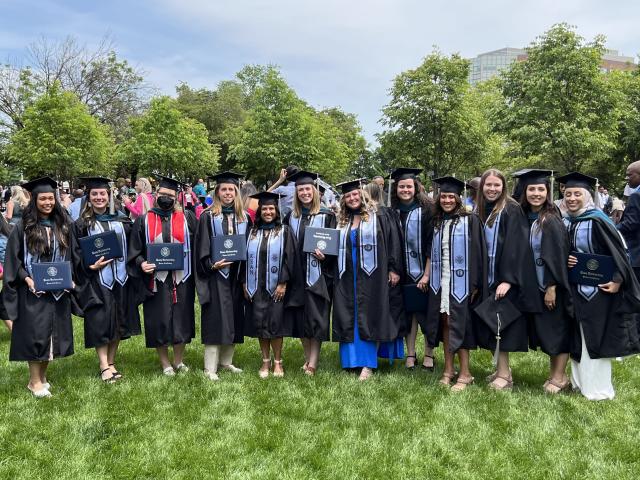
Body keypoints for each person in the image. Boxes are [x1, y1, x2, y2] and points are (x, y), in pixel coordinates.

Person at [2, 177, 85, 397]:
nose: (47, 202)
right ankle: (33, 381)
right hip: (33, 291)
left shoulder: (63, 224)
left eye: (50, 198)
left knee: (52, 335)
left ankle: (42, 378)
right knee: (36, 335)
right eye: (43, 198)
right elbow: (14, 260)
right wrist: (27, 279)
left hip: (58, 291)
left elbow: (72, 254)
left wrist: (72, 277)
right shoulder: (23, 227)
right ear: (34, 200)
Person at [562, 172, 640, 400]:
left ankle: (598, 389)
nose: (572, 198)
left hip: (600, 291)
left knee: (597, 337)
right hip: (577, 289)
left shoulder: (599, 220)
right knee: (578, 337)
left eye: (578, 194)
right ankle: (578, 383)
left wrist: (617, 281)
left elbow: (621, 253)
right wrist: (568, 258)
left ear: (588, 196)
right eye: (568, 194)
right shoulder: (569, 221)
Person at [332, 179, 404, 381]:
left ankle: (368, 363)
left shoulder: (380, 215)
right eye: (348, 196)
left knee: (371, 313)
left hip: (375, 274)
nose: (352, 198)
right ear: (344, 200)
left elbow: (393, 242)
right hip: (347, 275)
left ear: (362, 194)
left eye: (355, 194)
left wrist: (393, 268)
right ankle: (352, 361)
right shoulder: (341, 220)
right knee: (350, 313)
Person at [475, 169, 540, 390]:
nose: (492, 189)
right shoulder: (484, 208)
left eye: (496, 185)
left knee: (503, 327)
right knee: (494, 324)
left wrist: (508, 280)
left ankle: (505, 375)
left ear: (504, 187)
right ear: (482, 186)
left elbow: (517, 246)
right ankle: (502, 370)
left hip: (504, 281)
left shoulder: (511, 209)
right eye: (488, 185)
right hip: (489, 278)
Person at [74, 177, 142, 383]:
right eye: (94, 194)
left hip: (121, 279)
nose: (99, 197)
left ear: (109, 196)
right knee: (100, 321)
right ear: (89, 197)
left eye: (102, 194)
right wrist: (89, 265)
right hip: (97, 281)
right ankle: (103, 364)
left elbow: (133, 247)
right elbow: (76, 253)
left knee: (119, 320)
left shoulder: (121, 220)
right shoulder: (81, 224)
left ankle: (111, 362)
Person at [128, 175, 196, 375]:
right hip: (155, 280)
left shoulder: (187, 218)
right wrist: (142, 264)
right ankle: (165, 362)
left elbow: (199, 245)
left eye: (170, 195)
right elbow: (135, 250)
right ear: (156, 194)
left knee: (182, 319)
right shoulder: (143, 220)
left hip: (182, 277)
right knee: (159, 319)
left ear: (176, 198)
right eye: (163, 194)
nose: (166, 198)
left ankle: (178, 360)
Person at [426, 177, 485, 391]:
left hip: (462, 281)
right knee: (444, 322)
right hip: (440, 280)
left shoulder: (470, 220)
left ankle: (466, 373)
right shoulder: (437, 221)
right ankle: (448, 370)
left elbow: (478, 252)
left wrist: (475, 283)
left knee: (460, 324)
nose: (447, 200)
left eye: (452, 196)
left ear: (459, 198)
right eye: (444, 196)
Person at [518, 170, 573, 393]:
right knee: (548, 332)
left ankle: (559, 378)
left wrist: (551, 287)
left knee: (557, 331)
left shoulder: (551, 219)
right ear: (525, 191)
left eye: (541, 189)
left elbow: (557, 256)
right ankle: (554, 376)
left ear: (547, 192)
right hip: (532, 287)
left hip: (550, 287)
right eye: (532, 189)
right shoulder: (523, 216)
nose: (536, 193)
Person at [195, 171, 250, 381]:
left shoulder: (244, 218)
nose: (228, 193)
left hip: (236, 276)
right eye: (224, 189)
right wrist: (211, 265)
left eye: (231, 189)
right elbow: (202, 246)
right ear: (217, 192)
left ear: (236, 192)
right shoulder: (207, 217)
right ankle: (210, 367)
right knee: (215, 318)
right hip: (215, 275)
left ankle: (226, 362)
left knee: (234, 317)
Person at [242, 192, 301, 378]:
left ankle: (278, 362)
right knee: (260, 323)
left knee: (276, 324)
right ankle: (265, 362)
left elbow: (289, 259)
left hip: (276, 287)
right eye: (265, 208)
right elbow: (243, 259)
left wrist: (283, 282)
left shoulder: (285, 231)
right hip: (256, 286)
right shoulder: (251, 232)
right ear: (260, 210)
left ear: (277, 211)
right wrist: (244, 282)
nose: (268, 212)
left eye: (271, 208)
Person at [283, 171, 336, 376]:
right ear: (296, 193)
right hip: (296, 274)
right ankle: (307, 358)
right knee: (299, 319)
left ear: (315, 191)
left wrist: (326, 258)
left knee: (317, 319)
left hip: (318, 275)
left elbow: (335, 248)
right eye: (300, 190)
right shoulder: (291, 217)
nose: (304, 193)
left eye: (307, 189)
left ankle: (313, 362)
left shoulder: (327, 215)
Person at [388, 167, 435, 371]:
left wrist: (427, 273)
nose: (405, 190)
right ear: (395, 189)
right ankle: (410, 354)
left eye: (409, 186)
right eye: (401, 186)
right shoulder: (391, 213)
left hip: (424, 271)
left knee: (426, 314)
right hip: (402, 272)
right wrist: (392, 268)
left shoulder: (427, 210)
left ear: (416, 188)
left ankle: (429, 353)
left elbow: (431, 244)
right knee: (409, 314)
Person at [617, 160, 640, 284]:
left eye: (630, 175)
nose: (627, 178)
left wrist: (612, 228)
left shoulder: (636, 196)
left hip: (636, 255)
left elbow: (630, 224)